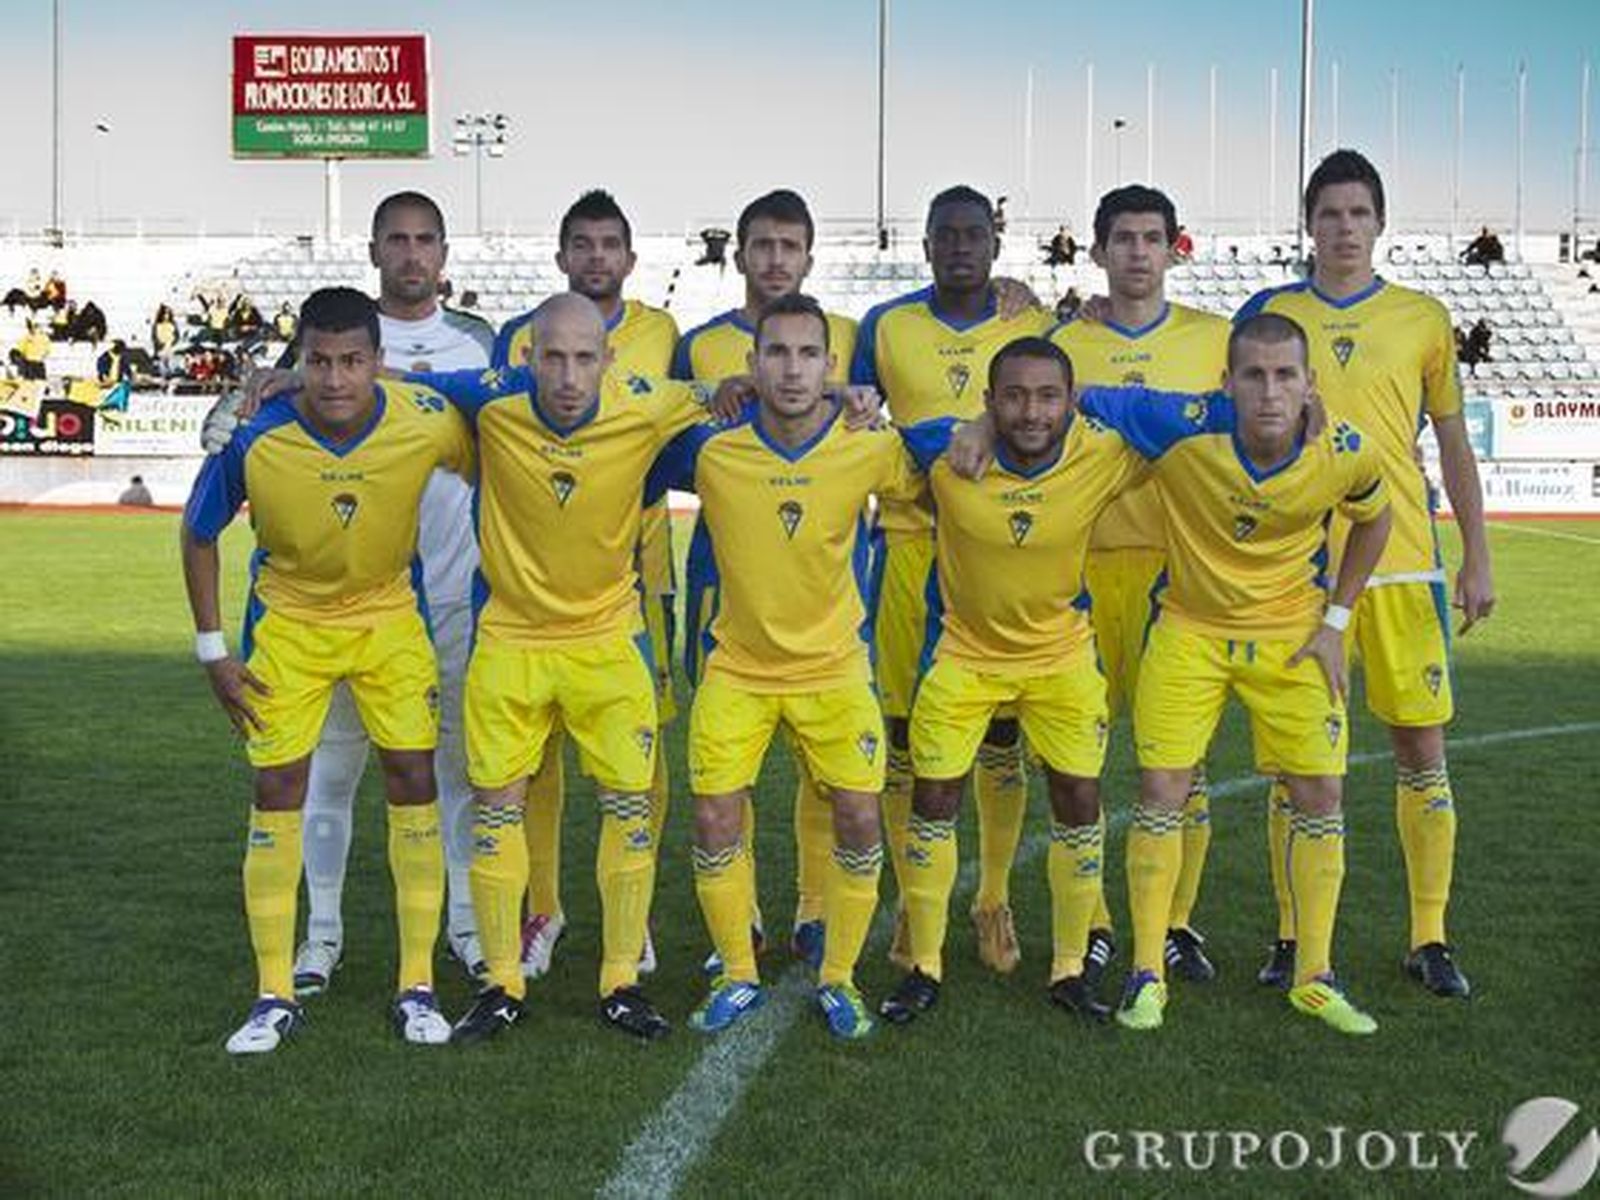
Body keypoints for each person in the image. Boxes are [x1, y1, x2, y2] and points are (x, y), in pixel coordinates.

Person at [206, 192, 498, 997]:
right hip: (349, 597)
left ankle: (466, 926)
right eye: (395, 239)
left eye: (425, 240)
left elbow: (502, 414)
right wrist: (272, 385)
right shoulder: (323, 349)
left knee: (452, 772)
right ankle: (321, 933)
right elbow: (226, 437)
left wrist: (350, 374)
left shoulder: (475, 339)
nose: (411, 254)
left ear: (445, 253)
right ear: (372, 251)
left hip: (454, 592)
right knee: (330, 771)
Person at [407, 294, 715, 1043]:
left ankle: (619, 980)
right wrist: (282, 383)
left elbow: (751, 394)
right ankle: (501, 983)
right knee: (498, 808)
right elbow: (379, 382)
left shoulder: (648, 404)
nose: (569, 374)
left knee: (629, 807)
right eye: (553, 356)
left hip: (609, 642)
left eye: (585, 357)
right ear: (526, 358)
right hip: (510, 641)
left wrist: (846, 399)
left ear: (610, 360)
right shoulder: (489, 403)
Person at [1081, 312, 1393, 1035]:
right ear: (1225, 383)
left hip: (1293, 639)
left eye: (1286, 375)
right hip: (1189, 630)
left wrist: (1337, 621)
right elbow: (1076, 394)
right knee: (1161, 786)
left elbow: (1375, 518)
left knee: (1319, 790)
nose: (1270, 391)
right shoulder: (1183, 422)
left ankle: (1314, 975)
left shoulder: (1345, 450)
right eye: (1252, 375)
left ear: (1311, 383)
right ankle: (1147, 972)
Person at [649, 294, 942, 1040]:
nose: (791, 368)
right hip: (738, 668)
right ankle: (737, 972)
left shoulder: (868, 446)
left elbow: (939, 461)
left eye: (808, 354)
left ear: (830, 365)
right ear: (752, 365)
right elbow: (624, 425)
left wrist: (867, 408)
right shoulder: (710, 450)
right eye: (775, 353)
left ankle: (839, 976)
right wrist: (701, 396)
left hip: (835, 668)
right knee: (714, 816)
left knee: (858, 815)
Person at [1237, 149, 1492, 999]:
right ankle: (1289, 937)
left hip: (1406, 565)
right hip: (1301, 572)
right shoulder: (1272, 314)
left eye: (1359, 213)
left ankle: (1430, 935)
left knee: (1422, 747)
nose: (1344, 228)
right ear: (1307, 222)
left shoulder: (1423, 318)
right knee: (1295, 765)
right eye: (1330, 213)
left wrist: (1477, 555)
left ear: (1381, 223)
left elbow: (1451, 442)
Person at [880, 337, 1143, 1029]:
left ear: (1070, 401)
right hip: (964, 655)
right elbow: (882, 430)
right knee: (934, 797)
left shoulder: (1104, 453)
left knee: (1078, 797)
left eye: (1049, 396)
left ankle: (1068, 967)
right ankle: (925, 966)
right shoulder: (946, 449)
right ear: (989, 401)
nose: (1033, 411)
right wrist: (972, 430)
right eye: (1015, 397)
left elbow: (1186, 419)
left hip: (1061, 656)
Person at [852, 184, 1053, 977]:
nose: (961, 246)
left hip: (1004, 558)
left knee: (1002, 739)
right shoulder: (887, 325)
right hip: (910, 552)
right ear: (925, 244)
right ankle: (914, 901)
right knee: (904, 739)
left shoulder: (1029, 323)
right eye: (946, 235)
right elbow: (859, 417)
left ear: (996, 246)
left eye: (975, 234)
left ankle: (992, 897)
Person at [672, 189, 864, 977]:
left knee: (828, 772)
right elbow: (663, 434)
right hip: (725, 573)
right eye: (763, 245)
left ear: (810, 257)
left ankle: (817, 913)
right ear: (741, 254)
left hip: (824, 571)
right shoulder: (696, 344)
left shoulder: (856, 333)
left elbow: (875, 421)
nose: (777, 259)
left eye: (791, 246)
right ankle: (741, 920)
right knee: (729, 769)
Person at [493, 189, 681, 981]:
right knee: (534, 755)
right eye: (583, 244)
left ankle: (628, 924)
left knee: (641, 745)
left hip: (642, 566)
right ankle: (544, 905)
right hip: (536, 579)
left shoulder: (664, 334)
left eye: (610, 244)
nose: (597, 256)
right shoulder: (514, 338)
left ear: (630, 259)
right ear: (561, 256)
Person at [1051, 185, 1231, 992]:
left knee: (1180, 765)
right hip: (1079, 574)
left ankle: (1178, 926)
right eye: (1121, 238)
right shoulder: (1062, 344)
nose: (1135, 252)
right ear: (1096, 252)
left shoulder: (1214, 340)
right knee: (1079, 763)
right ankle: (1090, 925)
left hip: (1178, 575)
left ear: (1173, 248)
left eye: (1151, 237)